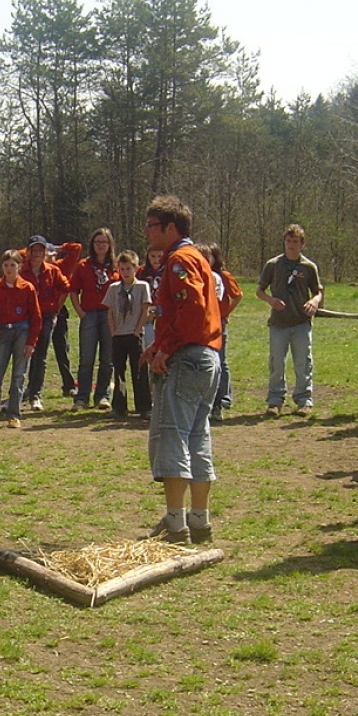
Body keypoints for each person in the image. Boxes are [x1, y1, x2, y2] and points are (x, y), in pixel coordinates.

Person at [143, 196, 221, 545]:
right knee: (197, 436)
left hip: (188, 358)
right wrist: (157, 343)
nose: (146, 232)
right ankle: (199, 519)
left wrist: (167, 348)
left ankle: (176, 524)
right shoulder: (197, 258)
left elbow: (189, 309)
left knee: (172, 435)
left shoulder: (179, 260)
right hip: (206, 356)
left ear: (170, 228)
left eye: (151, 225)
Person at [256, 224, 322, 417]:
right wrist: (271, 300)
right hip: (279, 323)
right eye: (288, 241)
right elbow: (259, 290)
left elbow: (318, 292)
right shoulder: (273, 265)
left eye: (295, 241)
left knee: (303, 363)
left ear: (302, 244)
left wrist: (314, 301)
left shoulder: (308, 267)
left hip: (301, 322)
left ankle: (304, 400)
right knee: (277, 363)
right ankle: (275, 400)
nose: (291, 245)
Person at [0, 249, 40, 429]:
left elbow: (36, 317)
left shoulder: (27, 288)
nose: (9, 269)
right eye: (6, 265)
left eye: (13, 265)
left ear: (19, 267)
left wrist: (31, 342)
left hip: (22, 331)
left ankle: (13, 414)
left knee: (18, 375)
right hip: (3, 332)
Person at [20, 236, 70, 413]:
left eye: (41, 250)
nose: (37, 254)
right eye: (34, 250)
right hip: (25, 318)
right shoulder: (21, 271)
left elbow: (66, 288)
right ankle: (19, 392)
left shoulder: (52, 270)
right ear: (28, 252)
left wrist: (57, 307)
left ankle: (35, 394)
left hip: (46, 316)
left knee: (40, 356)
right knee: (24, 355)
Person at [70, 228, 117, 410]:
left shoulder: (115, 266)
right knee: (86, 358)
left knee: (107, 358)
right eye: (97, 242)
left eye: (104, 242)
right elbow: (73, 290)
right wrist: (80, 311)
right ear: (92, 244)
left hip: (109, 315)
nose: (101, 246)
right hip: (89, 314)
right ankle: (82, 397)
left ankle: (103, 396)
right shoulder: (83, 265)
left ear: (110, 245)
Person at [106, 250, 151, 420]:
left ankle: (144, 406)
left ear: (135, 268)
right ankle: (119, 406)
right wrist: (113, 331)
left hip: (134, 334)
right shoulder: (113, 288)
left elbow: (145, 309)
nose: (125, 272)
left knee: (139, 371)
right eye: (122, 269)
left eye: (128, 269)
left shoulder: (142, 287)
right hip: (119, 334)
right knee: (119, 372)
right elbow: (109, 311)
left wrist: (137, 329)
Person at [204, 243, 241, 422]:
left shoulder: (222, 276)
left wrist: (225, 313)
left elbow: (237, 295)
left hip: (218, 323)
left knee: (221, 361)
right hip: (203, 324)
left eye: (209, 256)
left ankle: (223, 397)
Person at [51, 239, 82, 397]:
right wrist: (39, 246)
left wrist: (58, 247)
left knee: (62, 349)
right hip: (38, 312)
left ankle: (68, 384)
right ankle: (32, 387)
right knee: (35, 353)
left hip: (59, 311)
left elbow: (76, 248)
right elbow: (20, 254)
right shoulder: (33, 266)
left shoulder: (62, 265)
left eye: (51, 254)